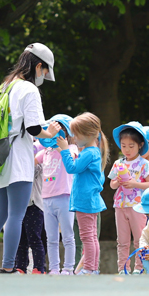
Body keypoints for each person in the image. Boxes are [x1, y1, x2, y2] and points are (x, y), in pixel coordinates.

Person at [0, 43, 61, 274]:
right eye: (44, 71)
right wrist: (50, 133)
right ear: (39, 65)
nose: (43, 76)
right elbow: (34, 129)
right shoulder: (29, 89)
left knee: (0, 214)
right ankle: (8, 267)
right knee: (16, 215)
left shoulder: (5, 86)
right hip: (19, 158)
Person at [56, 112, 108, 275]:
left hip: (85, 201)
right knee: (91, 237)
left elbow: (72, 168)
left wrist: (64, 150)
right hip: (89, 200)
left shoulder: (89, 153)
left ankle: (90, 268)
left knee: (87, 237)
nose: (74, 139)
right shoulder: (92, 152)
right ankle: (92, 268)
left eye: (76, 135)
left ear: (89, 134)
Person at [109, 120, 149, 273]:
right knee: (122, 241)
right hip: (120, 205)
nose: (127, 150)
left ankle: (139, 268)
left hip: (138, 206)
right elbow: (111, 184)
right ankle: (122, 268)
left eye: (131, 146)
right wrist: (117, 182)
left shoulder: (144, 164)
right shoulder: (118, 163)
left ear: (139, 145)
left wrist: (135, 184)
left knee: (139, 239)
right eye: (123, 146)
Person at [34, 114, 77, 275]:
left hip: (64, 197)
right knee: (51, 238)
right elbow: (33, 160)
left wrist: (60, 145)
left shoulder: (70, 148)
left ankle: (68, 268)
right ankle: (53, 268)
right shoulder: (46, 151)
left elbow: (71, 158)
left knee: (67, 235)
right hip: (46, 198)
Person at [14, 154, 47, 273]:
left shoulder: (38, 164)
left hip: (34, 205)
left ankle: (39, 267)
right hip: (20, 206)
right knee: (20, 239)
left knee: (35, 238)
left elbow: (33, 169)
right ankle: (21, 266)